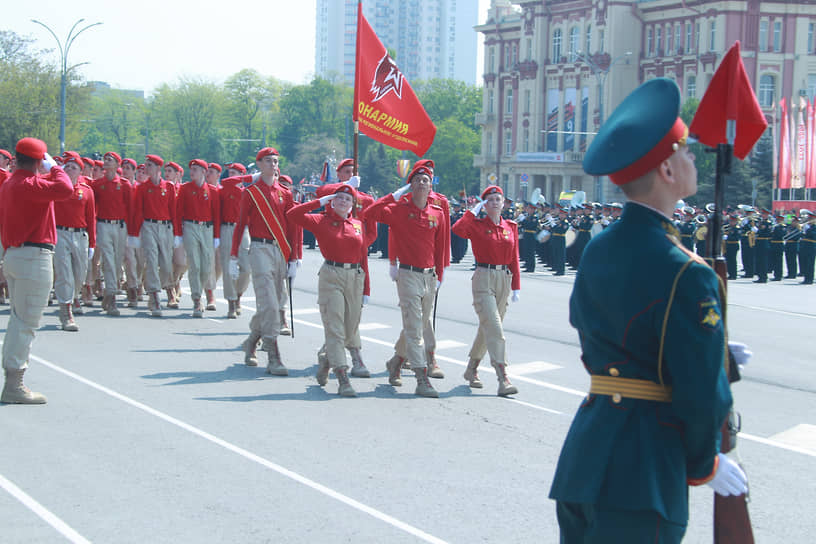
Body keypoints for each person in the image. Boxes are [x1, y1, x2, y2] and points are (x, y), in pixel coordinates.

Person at [549, 78, 747, 542]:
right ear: (667, 172)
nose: (694, 158)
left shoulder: (598, 248)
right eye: (686, 151)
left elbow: (614, 341)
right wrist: (705, 463)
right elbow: (699, 391)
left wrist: (720, 353)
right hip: (644, 473)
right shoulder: (687, 271)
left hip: (586, 457)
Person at [362, 163, 447, 397]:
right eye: (417, 180)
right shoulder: (399, 210)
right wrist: (393, 196)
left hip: (429, 276)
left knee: (417, 325)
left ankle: (396, 361)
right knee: (414, 327)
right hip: (408, 274)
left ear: (431, 187)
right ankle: (422, 378)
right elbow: (368, 213)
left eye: (426, 180)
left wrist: (440, 274)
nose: (422, 183)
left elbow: (441, 246)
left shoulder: (437, 213)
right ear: (410, 186)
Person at [0, 138, 73, 404]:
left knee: (17, 320)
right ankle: (14, 384)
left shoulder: (9, 183)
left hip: (16, 254)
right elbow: (66, 188)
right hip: (34, 257)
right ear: (38, 161)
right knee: (26, 324)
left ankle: (12, 379)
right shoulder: (30, 183)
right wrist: (54, 167)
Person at [286, 184, 377, 396]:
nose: (344, 201)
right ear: (332, 201)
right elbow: (293, 214)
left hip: (355, 277)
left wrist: (366, 288)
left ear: (353, 205)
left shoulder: (357, 224)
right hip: (331, 276)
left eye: (348, 199)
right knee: (335, 326)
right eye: (339, 198)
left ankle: (326, 361)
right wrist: (320, 202)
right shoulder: (321, 221)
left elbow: (365, 246)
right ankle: (343, 377)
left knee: (349, 328)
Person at [227, 148, 301, 375]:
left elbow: (293, 226)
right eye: (268, 161)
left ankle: (251, 341)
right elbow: (240, 223)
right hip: (258, 248)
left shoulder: (285, 193)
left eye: (276, 161)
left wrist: (295, 257)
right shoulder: (251, 192)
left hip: (280, 250)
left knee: (276, 301)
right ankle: (273, 354)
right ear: (259, 164)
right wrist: (232, 256)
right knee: (269, 302)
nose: (273, 164)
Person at [450, 185, 520, 396]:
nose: (495, 203)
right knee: (495, 328)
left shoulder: (510, 226)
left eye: (498, 199)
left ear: (503, 203)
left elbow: (514, 258)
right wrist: (472, 211)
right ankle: (503, 376)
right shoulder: (477, 225)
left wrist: (516, 286)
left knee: (487, 327)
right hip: (483, 277)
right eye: (490, 200)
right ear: (484, 204)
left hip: (504, 278)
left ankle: (471, 369)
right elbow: (458, 230)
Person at [128, 154, 177, 317]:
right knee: (151, 259)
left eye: (149, 165)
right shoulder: (142, 188)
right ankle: (154, 295)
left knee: (166, 264)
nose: (146, 168)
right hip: (148, 226)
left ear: (158, 168)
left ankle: (163, 286)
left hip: (165, 227)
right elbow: (137, 211)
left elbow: (174, 211)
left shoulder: (168, 187)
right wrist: (134, 234)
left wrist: (177, 233)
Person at [53, 152, 96, 331]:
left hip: (80, 235)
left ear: (80, 171)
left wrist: (92, 243)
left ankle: (72, 297)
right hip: (60, 233)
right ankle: (66, 312)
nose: (69, 169)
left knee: (79, 275)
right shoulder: (56, 188)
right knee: (64, 273)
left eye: (74, 167)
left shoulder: (86, 190)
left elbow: (91, 217)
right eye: (67, 166)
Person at [174, 159, 220, 317]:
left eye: (195, 169)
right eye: (191, 169)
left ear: (203, 172)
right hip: (190, 227)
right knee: (195, 263)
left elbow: (216, 214)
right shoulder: (185, 189)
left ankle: (201, 291)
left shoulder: (212, 191)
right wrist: (178, 234)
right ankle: (196, 299)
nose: (192, 172)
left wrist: (217, 236)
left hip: (207, 228)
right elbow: (178, 212)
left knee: (207, 265)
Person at [90, 151, 131, 316]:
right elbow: (93, 208)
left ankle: (109, 292)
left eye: (110, 160)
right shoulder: (97, 184)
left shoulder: (124, 184)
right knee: (107, 260)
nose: (106, 162)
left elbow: (130, 208)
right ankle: (112, 297)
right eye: (105, 160)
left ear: (117, 164)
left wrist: (132, 231)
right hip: (103, 225)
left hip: (120, 226)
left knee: (116, 261)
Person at [219, 163, 251, 318]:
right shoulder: (223, 190)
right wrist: (216, 236)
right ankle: (231, 302)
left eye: (235, 173)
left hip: (243, 230)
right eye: (230, 173)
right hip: (227, 229)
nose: (231, 176)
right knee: (228, 267)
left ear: (242, 176)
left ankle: (239, 294)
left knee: (246, 267)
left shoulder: (248, 193)